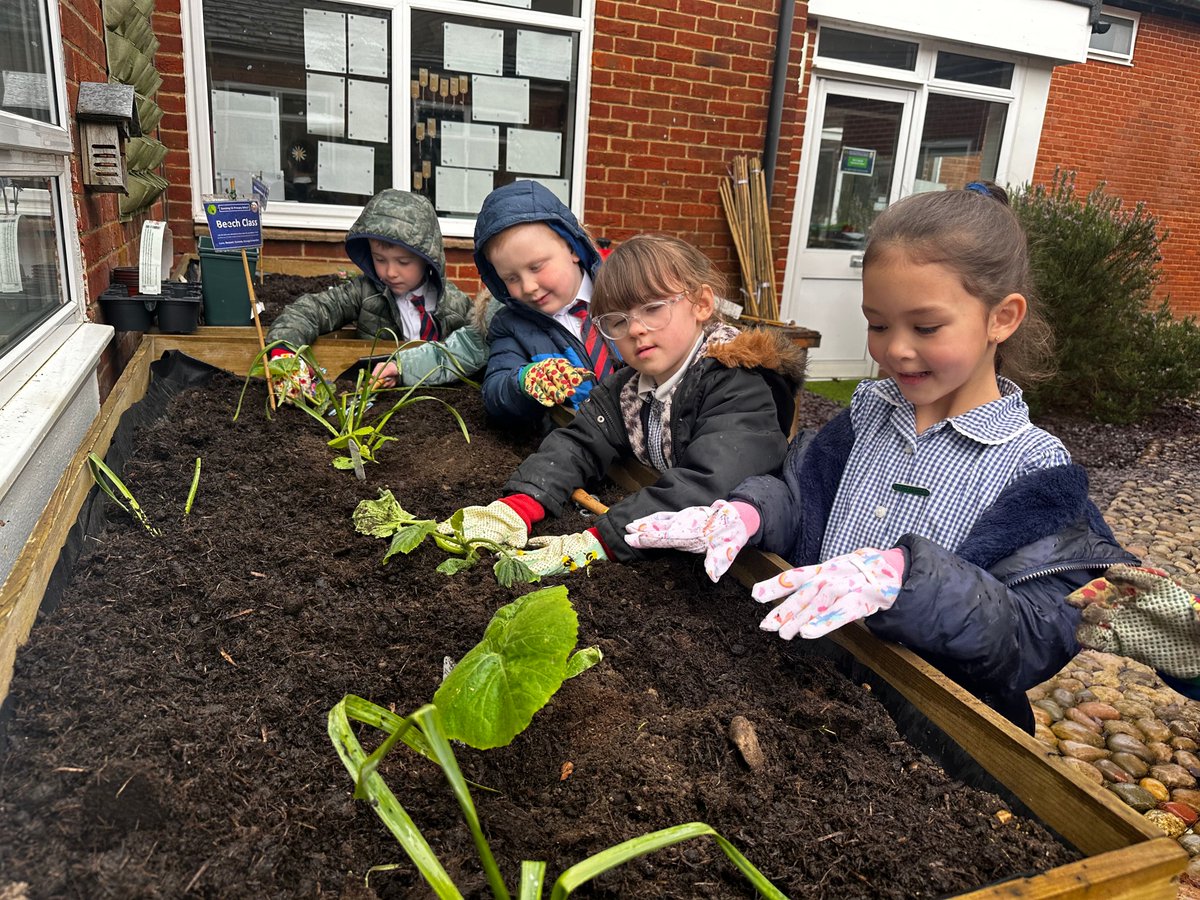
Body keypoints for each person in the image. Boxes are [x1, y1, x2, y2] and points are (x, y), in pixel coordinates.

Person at [625, 183, 1139, 732]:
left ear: (1002, 318)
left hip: (920, 734)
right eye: (877, 324)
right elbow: (803, 499)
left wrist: (906, 579)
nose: (895, 348)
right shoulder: (868, 416)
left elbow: (1035, 634)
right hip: (804, 687)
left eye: (925, 327)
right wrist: (749, 512)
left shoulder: (1036, 471)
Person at [441, 233, 807, 579]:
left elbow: (707, 485)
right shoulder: (630, 384)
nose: (635, 330)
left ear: (702, 304)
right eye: (617, 321)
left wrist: (600, 540)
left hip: (740, 550)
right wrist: (521, 503)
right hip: (667, 518)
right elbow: (579, 442)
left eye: (652, 309)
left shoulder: (738, 383)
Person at [266, 189, 486, 393]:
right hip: (375, 393)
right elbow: (312, 310)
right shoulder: (364, 292)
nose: (390, 272)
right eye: (379, 259)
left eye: (403, 262)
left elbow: (474, 351)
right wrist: (284, 349)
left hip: (436, 398)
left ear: (428, 259)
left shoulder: (456, 304)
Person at [474, 180, 617, 425]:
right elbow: (495, 391)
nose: (528, 287)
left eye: (536, 266)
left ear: (572, 248)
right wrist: (523, 381)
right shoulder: (511, 326)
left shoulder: (622, 292)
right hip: (576, 443)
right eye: (511, 278)